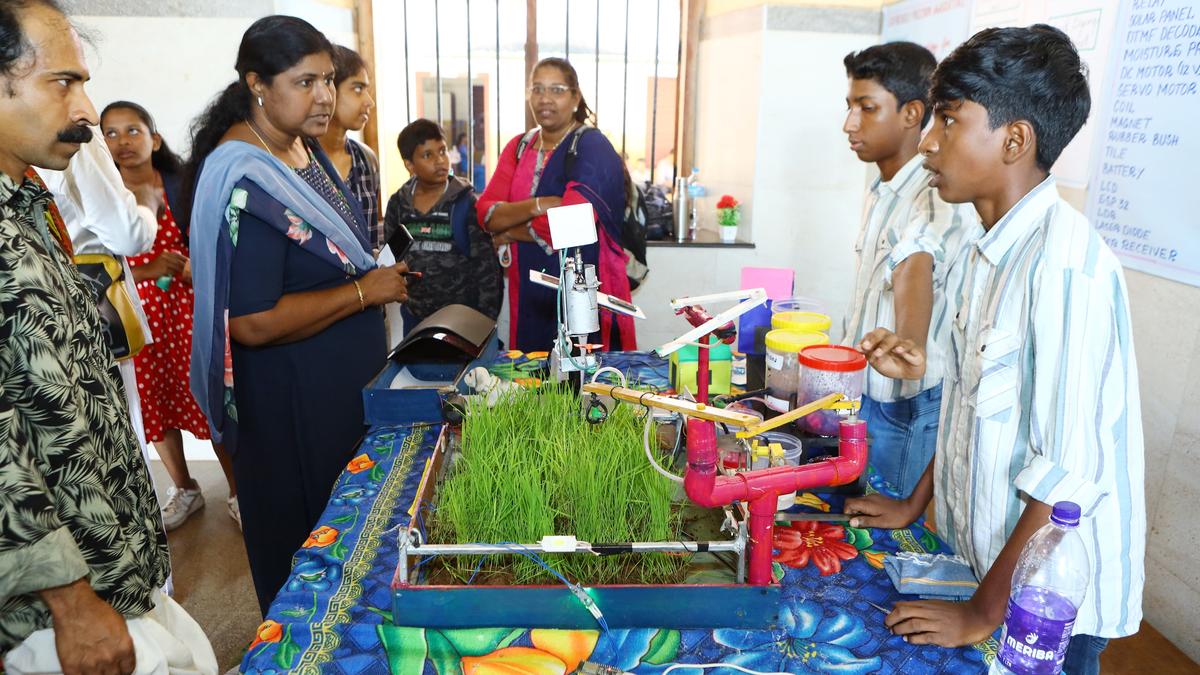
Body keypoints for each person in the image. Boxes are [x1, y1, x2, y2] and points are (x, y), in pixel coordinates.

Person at [846, 26, 1145, 672]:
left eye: (948, 121)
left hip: (1045, 601)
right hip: (981, 558)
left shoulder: (1064, 265)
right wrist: (912, 503)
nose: (928, 142)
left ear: (1014, 140)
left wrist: (983, 611)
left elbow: (1065, 471)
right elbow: (964, 405)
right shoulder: (987, 251)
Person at [0, 1, 216, 672]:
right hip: (52, 608)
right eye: (62, 82)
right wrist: (70, 602)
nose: (87, 109)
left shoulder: (29, 203)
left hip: (112, 567)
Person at [183, 15, 409, 614]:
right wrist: (366, 293)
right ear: (257, 83)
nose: (325, 97)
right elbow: (250, 322)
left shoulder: (300, 148)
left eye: (330, 81)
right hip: (291, 409)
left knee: (352, 544)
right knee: (307, 560)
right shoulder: (245, 179)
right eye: (305, 82)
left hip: (333, 391)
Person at [839, 42, 979, 498]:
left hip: (905, 403)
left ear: (911, 113)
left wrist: (909, 342)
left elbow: (915, 260)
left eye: (867, 108)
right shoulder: (883, 187)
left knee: (890, 540)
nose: (849, 124)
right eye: (849, 106)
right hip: (869, 390)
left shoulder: (934, 189)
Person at [102, 100, 241, 531]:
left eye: (132, 130)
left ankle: (238, 493)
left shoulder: (183, 186)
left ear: (154, 138)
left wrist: (190, 266)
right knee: (154, 401)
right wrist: (147, 270)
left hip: (188, 310)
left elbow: (218, 241)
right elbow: (93, 264)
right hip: (136, 316)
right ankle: (185, 488)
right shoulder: (104, 196)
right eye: (110, 133)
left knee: (208, 399)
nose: (122, 141)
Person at [477, 57, 635, 352]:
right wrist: (540, 204)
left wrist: (510, 230)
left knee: (582, 376)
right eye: (537, 89)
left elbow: (571, 223)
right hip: (529, 287)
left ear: (575, 97)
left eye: (557, 89)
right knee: (530, 373)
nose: (545, 99)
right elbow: (486, 213)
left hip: (583, 284)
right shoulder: (519, 146)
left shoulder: (592, 146)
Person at [383, 119, 502, 329]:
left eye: (442, 151)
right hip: (414, 319)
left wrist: (484, 323)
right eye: (428, 155)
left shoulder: (466, 203)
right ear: (409, 164)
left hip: (463, 321)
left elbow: (488, 270)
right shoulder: (398, 205)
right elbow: (393, 259)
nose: (440, 161)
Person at [317, 45, 382, 251]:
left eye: (367, 90)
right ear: (329, 89)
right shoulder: (300, 159)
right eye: (357, 89)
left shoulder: (366, 159)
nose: (369, 101)